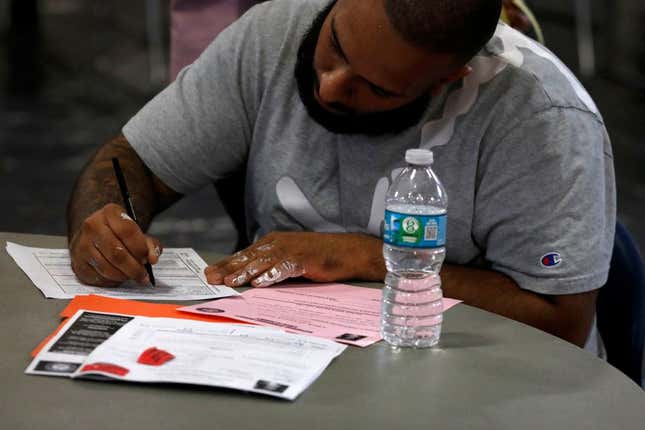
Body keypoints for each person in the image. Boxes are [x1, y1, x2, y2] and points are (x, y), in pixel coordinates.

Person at [67, 0, 615, 350]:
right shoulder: (273, 35)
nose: (330, 85)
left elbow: (561, 319)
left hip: (478, 385)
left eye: (375, 88)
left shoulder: (543, 119)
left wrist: (369, 257)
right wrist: (107, 221)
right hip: (281, 359)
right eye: (334, 46)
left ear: (449, 79)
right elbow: (131, 162)